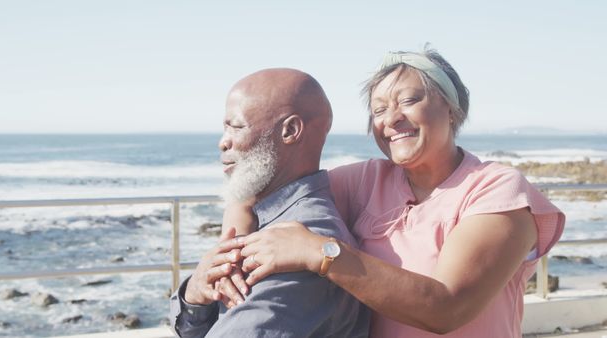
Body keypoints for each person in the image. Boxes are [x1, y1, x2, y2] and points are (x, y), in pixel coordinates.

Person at [221, 48, 565, 337]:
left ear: (451, 107)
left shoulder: (496, 188)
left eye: (409, 100)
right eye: (379, 110)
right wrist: (224, 258)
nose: (392, 119)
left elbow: (447, 307)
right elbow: (261, 192)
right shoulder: (366, 179)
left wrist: (319, 251)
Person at [168, 68, 369, 337]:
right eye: (224, 128)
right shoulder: (267, 219)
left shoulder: (304, 243)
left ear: (290, 130)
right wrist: (194, 295)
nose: (222, 142)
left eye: (236, 127)